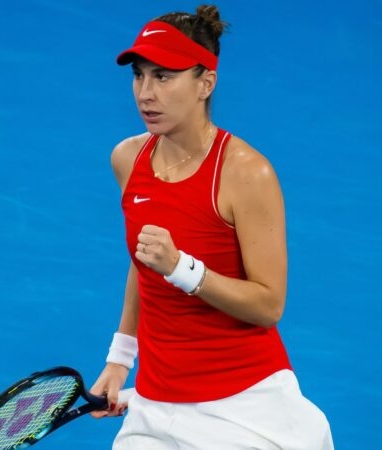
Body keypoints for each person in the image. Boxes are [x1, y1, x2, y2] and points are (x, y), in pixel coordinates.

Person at [91, 5, 334, 449]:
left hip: (247, 404)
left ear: (206, 83)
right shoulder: (128, 159)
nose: (145, 92)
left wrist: (183, 268)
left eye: (163, 76)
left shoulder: (246, 173)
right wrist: (120, 358)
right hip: (156, 402)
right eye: (139, 75)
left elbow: (268, 305)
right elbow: (144, 264)